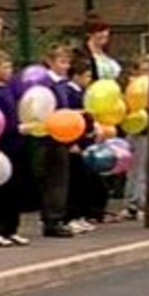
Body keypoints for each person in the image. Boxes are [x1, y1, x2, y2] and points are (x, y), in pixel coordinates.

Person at [0, 51, 31, 246]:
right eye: (5, 67)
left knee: (13, 189)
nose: (9, 71)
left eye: (10, 67)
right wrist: (15, 128)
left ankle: (11, 228)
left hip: (15, 144)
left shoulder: (9, 89)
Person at [33, 45, 77, 237]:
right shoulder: (47, 84)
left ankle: (56, 216)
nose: (66, 66)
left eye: (67, 62)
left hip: (63, 134)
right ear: (50, 62)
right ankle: (52, 219)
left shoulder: (61, 83)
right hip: (51, 136)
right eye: (62, 62)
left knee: (60, 178)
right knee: (55, 179)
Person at [64, 57, 106, 233]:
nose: (88, 80)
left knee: (84, 181)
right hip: (75, 142)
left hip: (85, 141)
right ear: (76, 76)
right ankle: (71, 215)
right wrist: (72, 141)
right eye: (86, 76)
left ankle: (81, 214)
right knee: (75, 181)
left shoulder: (82, 93)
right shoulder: (70, 93)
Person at [121, 54, 149, 220]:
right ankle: (136, 203)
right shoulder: (133, 86)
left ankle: (136, 202)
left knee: (141, 170)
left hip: (146, 129)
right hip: (137, 130)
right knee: (137, 170)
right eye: (144, 70)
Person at [80, 13, 122, 81]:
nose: (105, 34)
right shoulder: (82, 57)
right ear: (89, 33)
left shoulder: (108, 54)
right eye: (100, 31)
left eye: (106, 30)